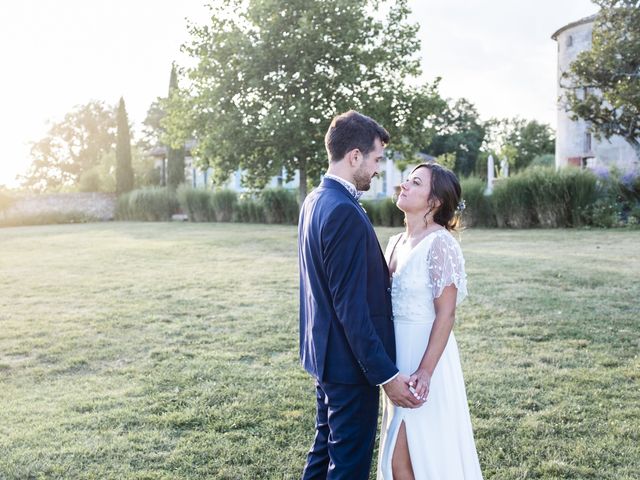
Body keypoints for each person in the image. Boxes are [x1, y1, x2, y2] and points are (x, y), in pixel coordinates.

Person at [298, 110, 423, 480]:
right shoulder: (343, 211)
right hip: (348, 366)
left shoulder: (315, 201)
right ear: (355, 156)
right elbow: (351, 308)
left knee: (324, 452)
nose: (377, 169)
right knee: (348, 466)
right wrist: (385, 375)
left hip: (324, 357)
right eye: (376, 159)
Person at [377, 163, 483, 479]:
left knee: (412, 459)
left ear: (434, 201)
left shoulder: (441, 243)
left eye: (416, 182)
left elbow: (446, 314)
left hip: (427, 361)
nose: (403, 185)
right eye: (407, 179)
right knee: (397, 461)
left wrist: (425, 370)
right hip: (397, 359)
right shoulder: (394, 241)